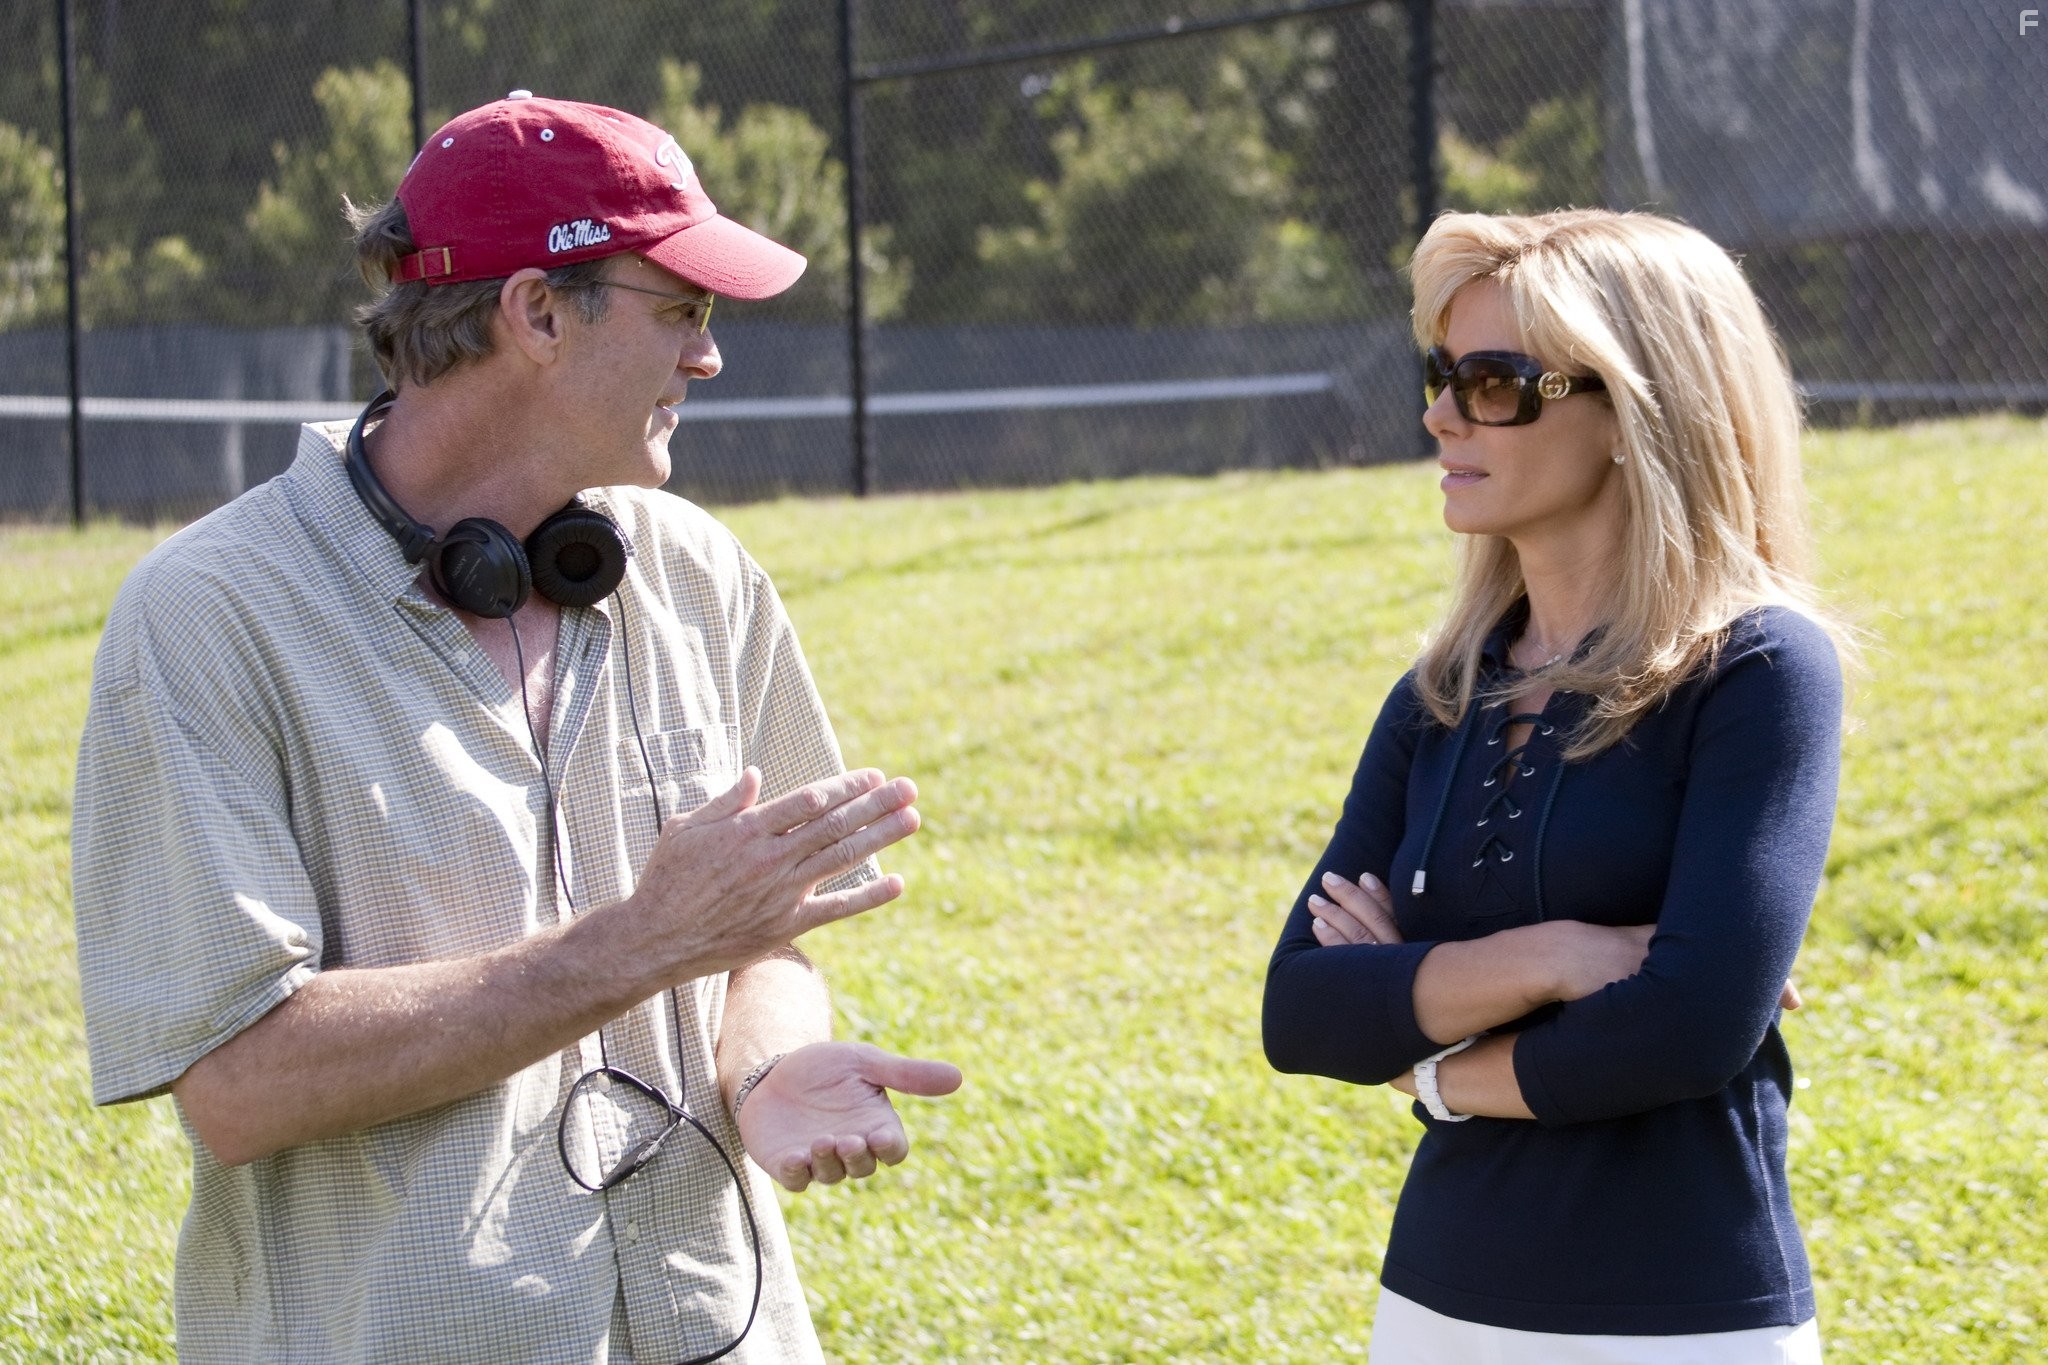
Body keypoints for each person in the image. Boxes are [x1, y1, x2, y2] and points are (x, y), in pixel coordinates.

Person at [72, 92, 960, 1363]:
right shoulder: (209, 616)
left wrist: (764, 1067)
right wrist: (643, 942)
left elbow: (767, 939)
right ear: (536, 311)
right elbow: (238, 1082)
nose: (708, 357)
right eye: (683, 310)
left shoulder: (696, 570)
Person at [1262, 208, 1855, 1363]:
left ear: (1636, 408)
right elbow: (1299, 1010)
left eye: (1492, 381)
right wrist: (1557, 960)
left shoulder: (1760, 670)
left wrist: (1425, 1065)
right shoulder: (1438, 693)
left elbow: (1688, 1027)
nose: (1438, 413)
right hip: (1434, 1302)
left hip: (1679, 1316)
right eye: (1441, 374)